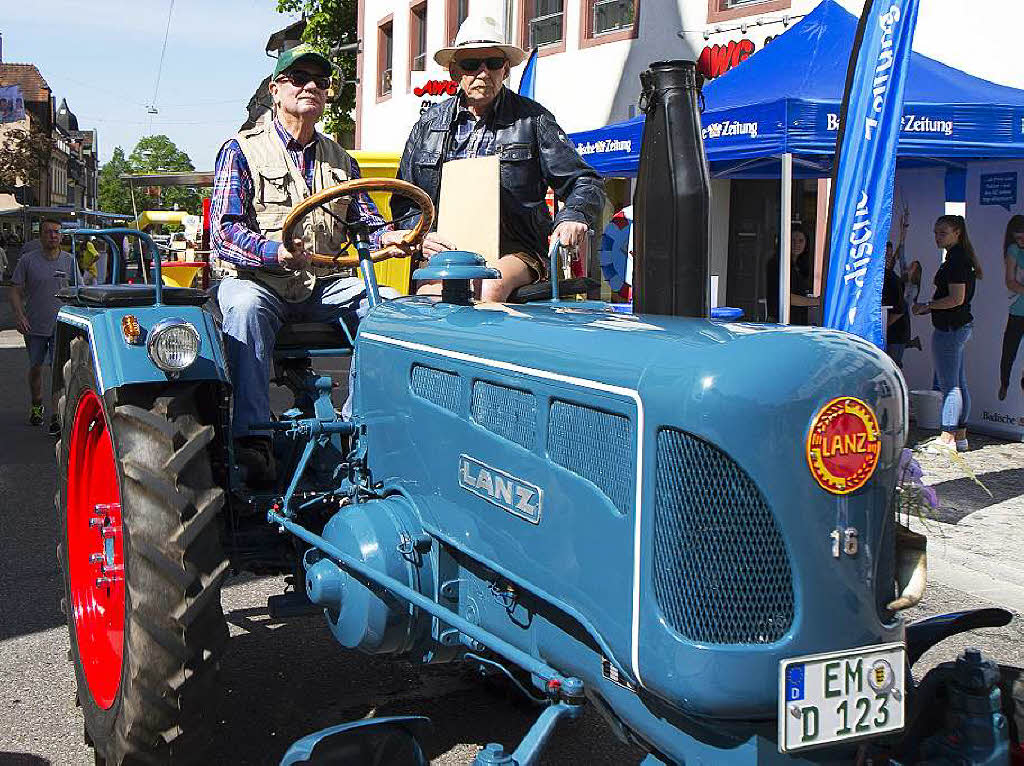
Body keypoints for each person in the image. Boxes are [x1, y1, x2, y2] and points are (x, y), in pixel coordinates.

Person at [211, 44, 418, 479]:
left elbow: (366, 224)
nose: (311, 87)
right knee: (244, 308)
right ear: (275, 89)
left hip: (321, 283)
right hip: (259, 281)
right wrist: (274, 252)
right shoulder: (242, 150)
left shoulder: (341, 159)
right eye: (299, 78)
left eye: (321, 82)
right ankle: (252, 435)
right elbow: (225, 233)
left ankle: (356, 423)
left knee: (389, 306)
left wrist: (392, 235)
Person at [391, 14, 604, 302]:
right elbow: (405, 199)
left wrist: (573, 216)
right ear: (454, 71)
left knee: (488, 285)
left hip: (517, 250)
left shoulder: (533, 119)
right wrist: (421, 236)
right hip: (447, 253)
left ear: (505, 69)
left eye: (492, 63)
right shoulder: (427, 125)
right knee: (429, 294)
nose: (482, 72)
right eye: (470, 64)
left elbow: (584, 180)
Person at [913, 214, 983, 452]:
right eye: (935, 232)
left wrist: (928, 306)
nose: (937, 236)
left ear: (957, 233)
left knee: (950, 385)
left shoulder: (956, 261)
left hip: (951, 329)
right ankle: (960, 436)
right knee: (959, 383)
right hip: (958, 327)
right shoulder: (958, 258)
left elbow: (956, 299)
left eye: (943, 232)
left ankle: (948, 436)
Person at [9, 219, 80, 434]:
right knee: (36, 367)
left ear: (61, 236)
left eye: (56, 232)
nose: (52, 236)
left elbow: (80, 291)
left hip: (62, 325)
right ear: (41, 236)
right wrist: (20, 316)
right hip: (35, 324)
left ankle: (57, 416)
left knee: (59, 371)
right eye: (48, 232)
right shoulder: (28, 261)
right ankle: (37, 404)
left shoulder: (69, 261)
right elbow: (14, 291)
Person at [766, 224, 818, 325]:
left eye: (801, 241)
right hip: (780, 322)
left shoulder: (800, 265)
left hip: (798, 321)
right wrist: (817, 301)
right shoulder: (777, 264)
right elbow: (785, 297)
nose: (796, 244)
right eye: (792, 240)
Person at [999, 214, 1024, 401]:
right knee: (1009, 352)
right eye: (1017, 237)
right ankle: (1004, 383)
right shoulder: (1014, 250)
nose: (1020, 240)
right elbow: (1010, 282)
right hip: (1017, 310)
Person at [882, 240, 910, 366]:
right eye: (885, 255)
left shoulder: (892, 278)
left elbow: (899, 310)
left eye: (890, 255)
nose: (888, 259)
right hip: (891, 334)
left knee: (892, 369)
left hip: (896, 335)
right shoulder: (882, 276)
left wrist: (882, 329)